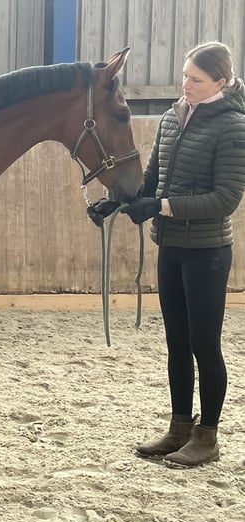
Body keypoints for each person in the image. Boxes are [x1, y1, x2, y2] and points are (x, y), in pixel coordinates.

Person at [120, 41, 245, 467]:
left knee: (204, 344)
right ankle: (178, 427)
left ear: (220, 83)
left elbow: (226, 198)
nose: (185, 84)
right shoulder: (174, 117)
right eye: (185, 75)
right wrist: (123, 200)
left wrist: (162, 206)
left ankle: (207, 436)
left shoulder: (233, 127)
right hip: (170, 244)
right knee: (176, 341)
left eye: (196, 79)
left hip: (207, 249)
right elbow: (154, 176)